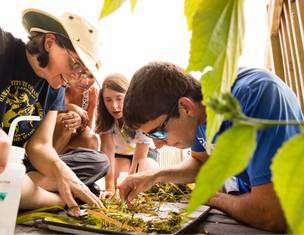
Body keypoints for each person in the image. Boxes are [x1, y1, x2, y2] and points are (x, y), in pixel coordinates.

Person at [0, 8, 109, 229]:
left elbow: (41, 145)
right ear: (49, 43)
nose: (75, 79)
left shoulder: (54, 87)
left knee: (96, 161)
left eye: (83, 72)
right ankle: (56, 198)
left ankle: (18, 191)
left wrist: (63, 173)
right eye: (75, 64)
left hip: (4, 166)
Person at [119, 61, 303, 232]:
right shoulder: (200, 114)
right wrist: (155, 176)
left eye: (158, 132)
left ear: (185, 107)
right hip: (255, 198)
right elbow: (201, 162)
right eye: (150, 136)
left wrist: (210, 198)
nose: (158, 146)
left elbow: (272, 214)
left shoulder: (256, 96)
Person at [95, 73, 159, 197]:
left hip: (144, 154)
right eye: (108, 100)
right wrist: (109, 189)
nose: (114, 106)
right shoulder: (105, 118)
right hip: (120, 155)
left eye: (119, 98)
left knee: (148, 173)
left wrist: (131, 187)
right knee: (118, 177)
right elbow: (107, 151)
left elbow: (139, 158)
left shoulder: (141, 115)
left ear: (129, 96)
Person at [52, 71, 100, 155]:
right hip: (46, 133)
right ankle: (44, 162)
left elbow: (87, 128)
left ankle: (62, 160)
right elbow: (44, 112)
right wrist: (69, 107)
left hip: (67, 139)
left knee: (92, 140)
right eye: (81, 74)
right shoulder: (59, 82)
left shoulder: (93, 92)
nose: (86, 82)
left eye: (91, 76)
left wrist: (80, 121)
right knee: (69, 118)